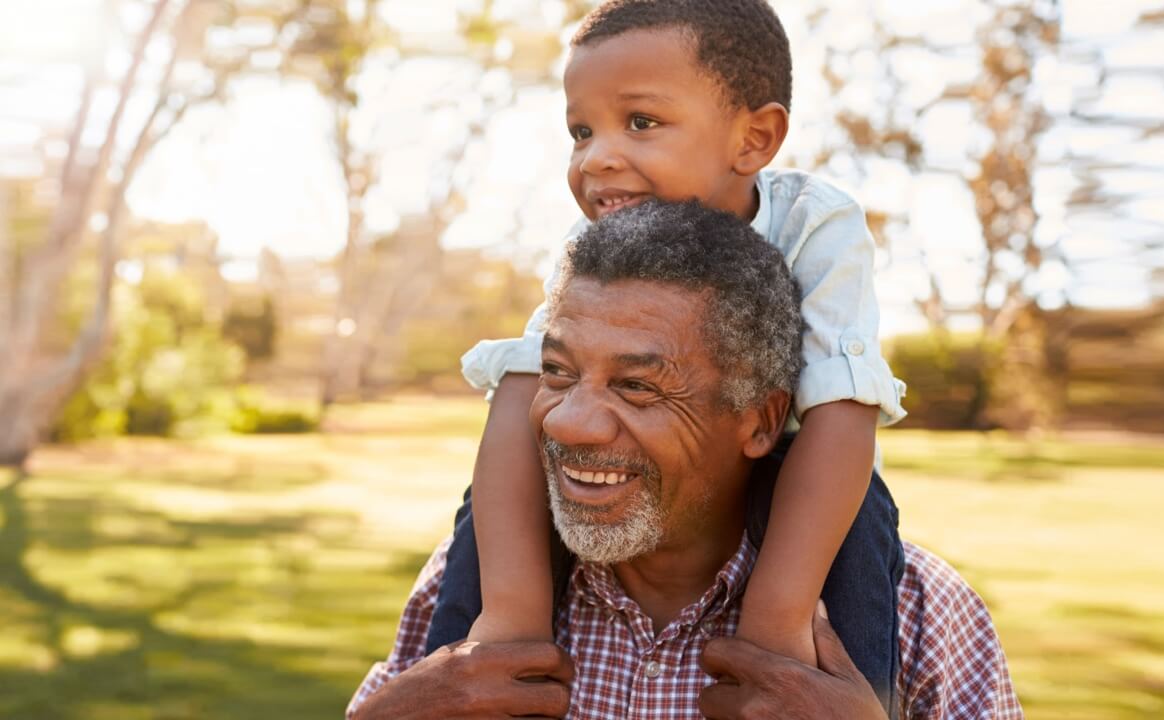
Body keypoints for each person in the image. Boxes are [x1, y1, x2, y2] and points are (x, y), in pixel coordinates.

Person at [349, 201, 1021, 720]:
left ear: (759, 421)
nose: (568, 421)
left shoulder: (918, 611)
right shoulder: (469, 583)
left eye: (637, 385)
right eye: (555, 373)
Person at [429, 0, 910, 711]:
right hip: (645, 486)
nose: (596, 157)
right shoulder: (590, 247)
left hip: (792, 462)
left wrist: (776, 624)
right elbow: (523, 385)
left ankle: (850, 694)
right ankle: (462, 679)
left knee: (860, 511)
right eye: (580, 131)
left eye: (641, 123)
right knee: (492, 500)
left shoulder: (815, 222)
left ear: (754, 138)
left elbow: (842, 409)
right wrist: (511, 611)